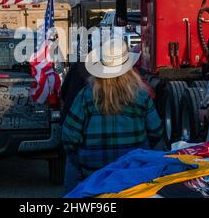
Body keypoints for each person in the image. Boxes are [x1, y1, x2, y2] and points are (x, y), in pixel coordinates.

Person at [62, 39, 163, 193]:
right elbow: (156, 131)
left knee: (71, 166)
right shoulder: (141, 94)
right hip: (131, 167)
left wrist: (78, 156)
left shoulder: (86, 95)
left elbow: (69, 136)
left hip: (93, 169)